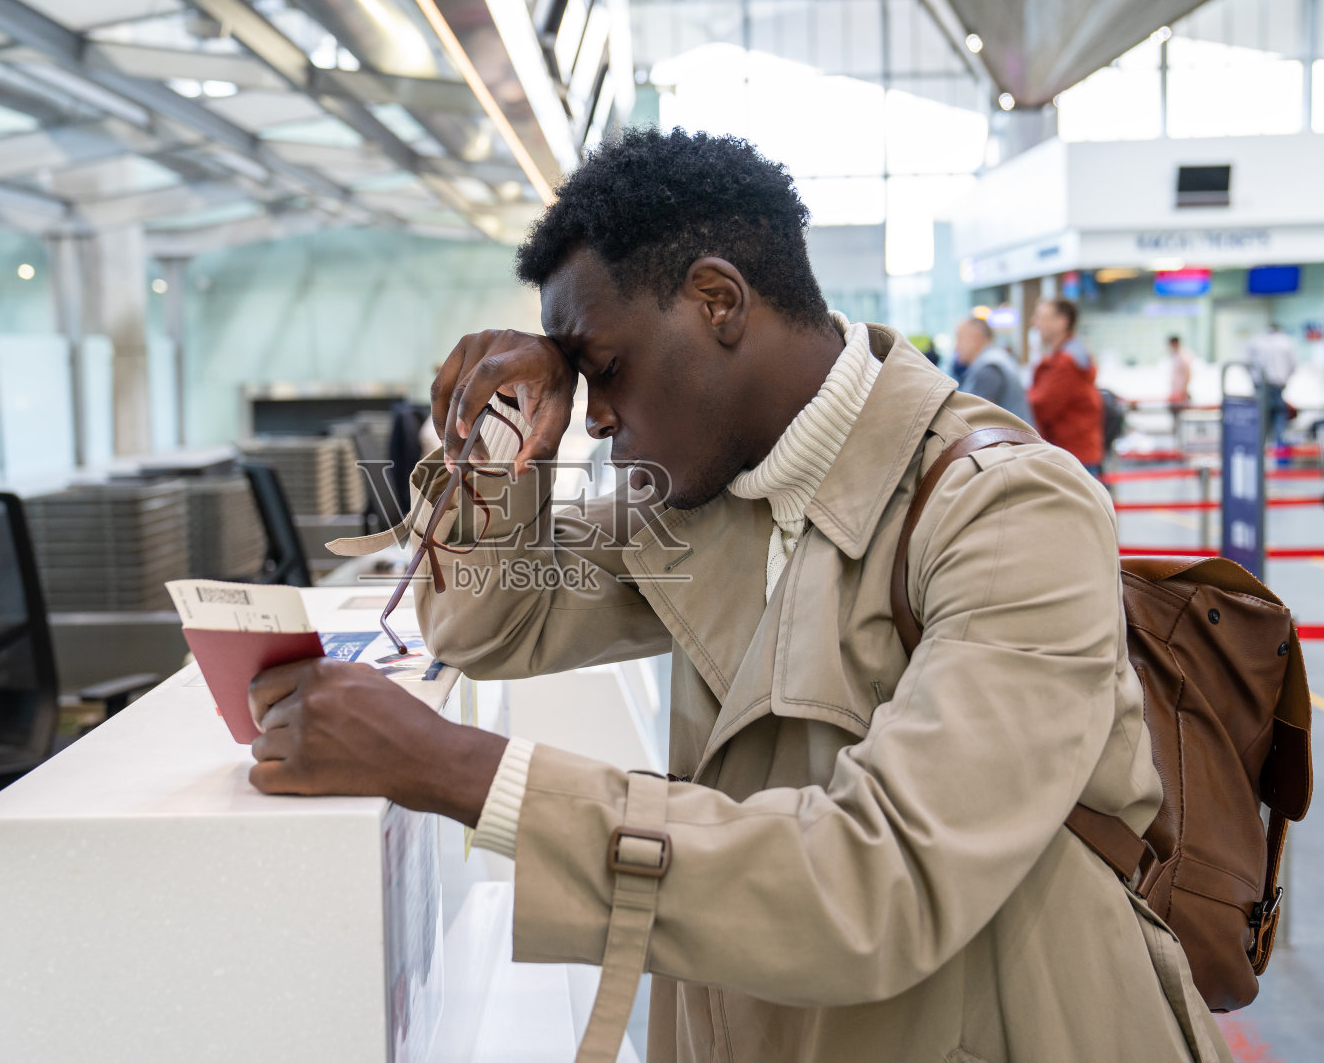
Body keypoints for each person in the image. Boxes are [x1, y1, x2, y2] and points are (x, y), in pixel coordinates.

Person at [244, 130, 1229, 1063]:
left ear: (717, 300)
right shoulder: (699, 492)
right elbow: (487, 623)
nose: (597, 417)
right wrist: (506, 443)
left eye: (606, 367)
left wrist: (462, 770)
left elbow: (878, 881)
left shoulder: (1010, 510)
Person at [1027, 298, 1105, 474]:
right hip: (1077, 453)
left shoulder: (1065, 363)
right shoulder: (1073, 356)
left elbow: (1042, 406)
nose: (1035, 323)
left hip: (1071, 457)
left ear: (1061, 322)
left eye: (1041, 317)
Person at [953, 315, 1032, 423]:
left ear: (974, 338)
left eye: (959, 338)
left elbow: (975, 419)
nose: (956, 347)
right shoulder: (997, 358)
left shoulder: (988, 367)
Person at [1246, 323, 1297, 440]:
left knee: (1262, 416)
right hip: (1278, 383)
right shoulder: (1286, 342)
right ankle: (1278, 447)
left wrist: (1254, 380)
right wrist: (1285, 378)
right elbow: (1293, 365)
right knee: (1278, 415)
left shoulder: (1256, 341)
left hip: (1261, 384)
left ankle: (1261, 448)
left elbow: (1248, 364)